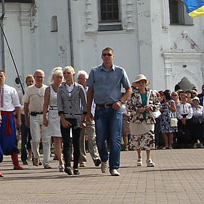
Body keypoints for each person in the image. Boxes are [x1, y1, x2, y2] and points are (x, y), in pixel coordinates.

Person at [87, 47, 131, 177]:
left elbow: (129, 89)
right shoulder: (95, 72)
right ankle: (104, 158)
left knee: (115, 138)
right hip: (100, 108)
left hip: (114, 109)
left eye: (109, 55)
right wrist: (88, 110)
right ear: (101, 57)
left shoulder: (120, 71)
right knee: (100, 138)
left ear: (113, 56)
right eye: (104, 55)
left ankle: (114, 167)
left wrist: (121, 101)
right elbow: (90, 91)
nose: (107, 57)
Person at [0, 70, 26, 172]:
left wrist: (19, 120)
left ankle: (16, 163)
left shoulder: (11, 90)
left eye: (1, 76)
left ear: (5, 77)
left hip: (8, 117)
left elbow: (17, 106)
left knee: (11, 140)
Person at [57, 66, 85, 175]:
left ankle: (76, 166)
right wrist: (62, 119)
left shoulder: (79, 88)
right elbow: (60, 104)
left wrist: (83, 118)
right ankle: (67, 164)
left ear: (73, 75)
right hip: (66, 117)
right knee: (67, 142)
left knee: (77, 143)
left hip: (77, 117)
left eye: (68, 73)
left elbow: (84, 103)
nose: (66, 75)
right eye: (65, 73)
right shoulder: (61, 89)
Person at [128, 75, 158, 167]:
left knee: (149, 138)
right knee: (137, 138)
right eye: (139, 82)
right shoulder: (133, 94)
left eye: (143, 82)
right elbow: (129, 106)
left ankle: (149, 158)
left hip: (148, 119)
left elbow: (157, 104)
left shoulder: (152, 93)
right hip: (137, 120)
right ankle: (139, 157)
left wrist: (150, 107)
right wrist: (137, 109)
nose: (141, 84)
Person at [23, 69, 47, 167]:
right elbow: (25, 105)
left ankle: (46, 161)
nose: (39, 79)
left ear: (44, 78)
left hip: (45, 115)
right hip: (33, 116)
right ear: (34, 78)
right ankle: (36, 155)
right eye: (37, 77)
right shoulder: (29, 90)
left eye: (41, 77)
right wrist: (26, 119)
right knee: (36, 139)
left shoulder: (47, 89)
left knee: (46, 139)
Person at [42, 67, 64, 171]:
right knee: (56, 138)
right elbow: (45, 104)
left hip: (63, 114)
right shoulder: (48, 89)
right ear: (53, 78)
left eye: (60, 77)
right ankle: (60, 161)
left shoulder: (64, 88)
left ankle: (66, 156)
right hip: (53, 113)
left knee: (65, 137)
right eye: (57, 77)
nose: (59, 79)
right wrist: (45, 118)